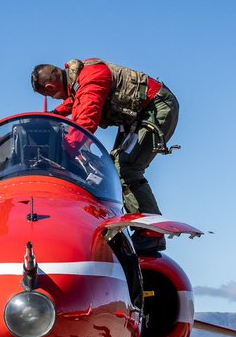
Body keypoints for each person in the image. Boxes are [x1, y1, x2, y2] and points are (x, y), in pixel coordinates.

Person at [30, 59, 180, 223]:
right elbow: (78, 99)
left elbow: (86, 122)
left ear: (50, 87)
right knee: (110, 168)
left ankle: (149, 234)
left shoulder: (90, 77)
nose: (54, 98)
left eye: (50, 95)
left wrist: (63, 155)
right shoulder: (80, 79)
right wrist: (53, 115)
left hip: (156, 108)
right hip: (138, 116)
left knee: (125, 169)